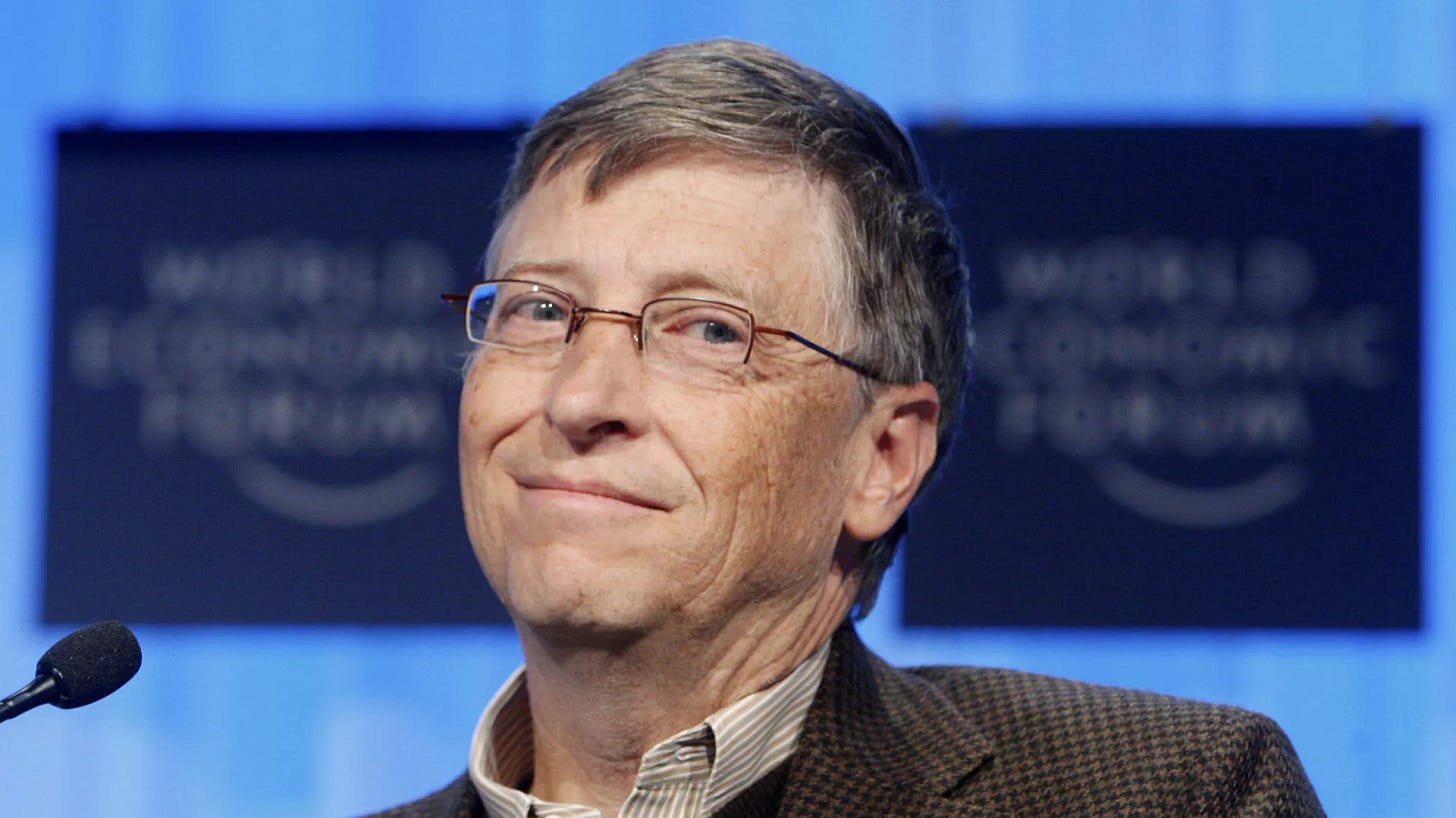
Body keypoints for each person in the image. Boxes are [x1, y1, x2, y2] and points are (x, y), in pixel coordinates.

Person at [365, 39, 1323, 818]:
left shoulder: (1167, 796)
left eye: (706, 329)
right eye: (540, 310)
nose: (581, 398)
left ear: (884, 455)